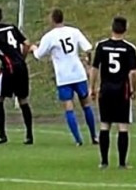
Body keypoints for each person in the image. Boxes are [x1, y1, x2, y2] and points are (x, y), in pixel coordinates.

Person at [31, 9, 98, 145]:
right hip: (78, 74)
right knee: (86, 104)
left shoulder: (49, 36)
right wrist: (88, 61)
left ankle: (78, 140)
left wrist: (33, 49)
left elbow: (39, 55)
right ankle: (94, 136)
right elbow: (88, 49)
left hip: (64, 77)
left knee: (69, 107)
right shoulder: (74, 31)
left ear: (52, 19)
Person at [89, 16, 136, 169]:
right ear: (125, 29)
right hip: (122, 91)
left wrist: (92, 87)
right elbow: (133, 73)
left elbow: (94, 68)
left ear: (112, 28)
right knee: (122, 126)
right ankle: (122, 163)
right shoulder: (129, 48)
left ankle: (104, 162)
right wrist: (133, 89)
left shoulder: (102, 46)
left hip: (105, 90)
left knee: (105, 124)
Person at [0, 6, 34, 145]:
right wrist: (22, 57)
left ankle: (2, 134)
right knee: (23, 100)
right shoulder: (12, 27)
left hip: (8, 68)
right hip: (21, 67)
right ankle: (29, 135)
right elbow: (27, 43)